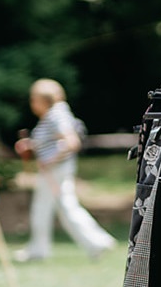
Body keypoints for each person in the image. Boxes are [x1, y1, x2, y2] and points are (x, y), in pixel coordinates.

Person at [12, 78, 116, 262]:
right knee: (62, 207)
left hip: (55, 171)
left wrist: (49, 161)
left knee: (51, 208)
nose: (31, 104)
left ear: (43, 100)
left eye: (33, 99)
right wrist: (32, 145)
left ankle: (41, 250)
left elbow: (71, 142)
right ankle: (96, 241)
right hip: (56, 170)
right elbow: (52, 141)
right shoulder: (54, 115)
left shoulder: (56, 115)